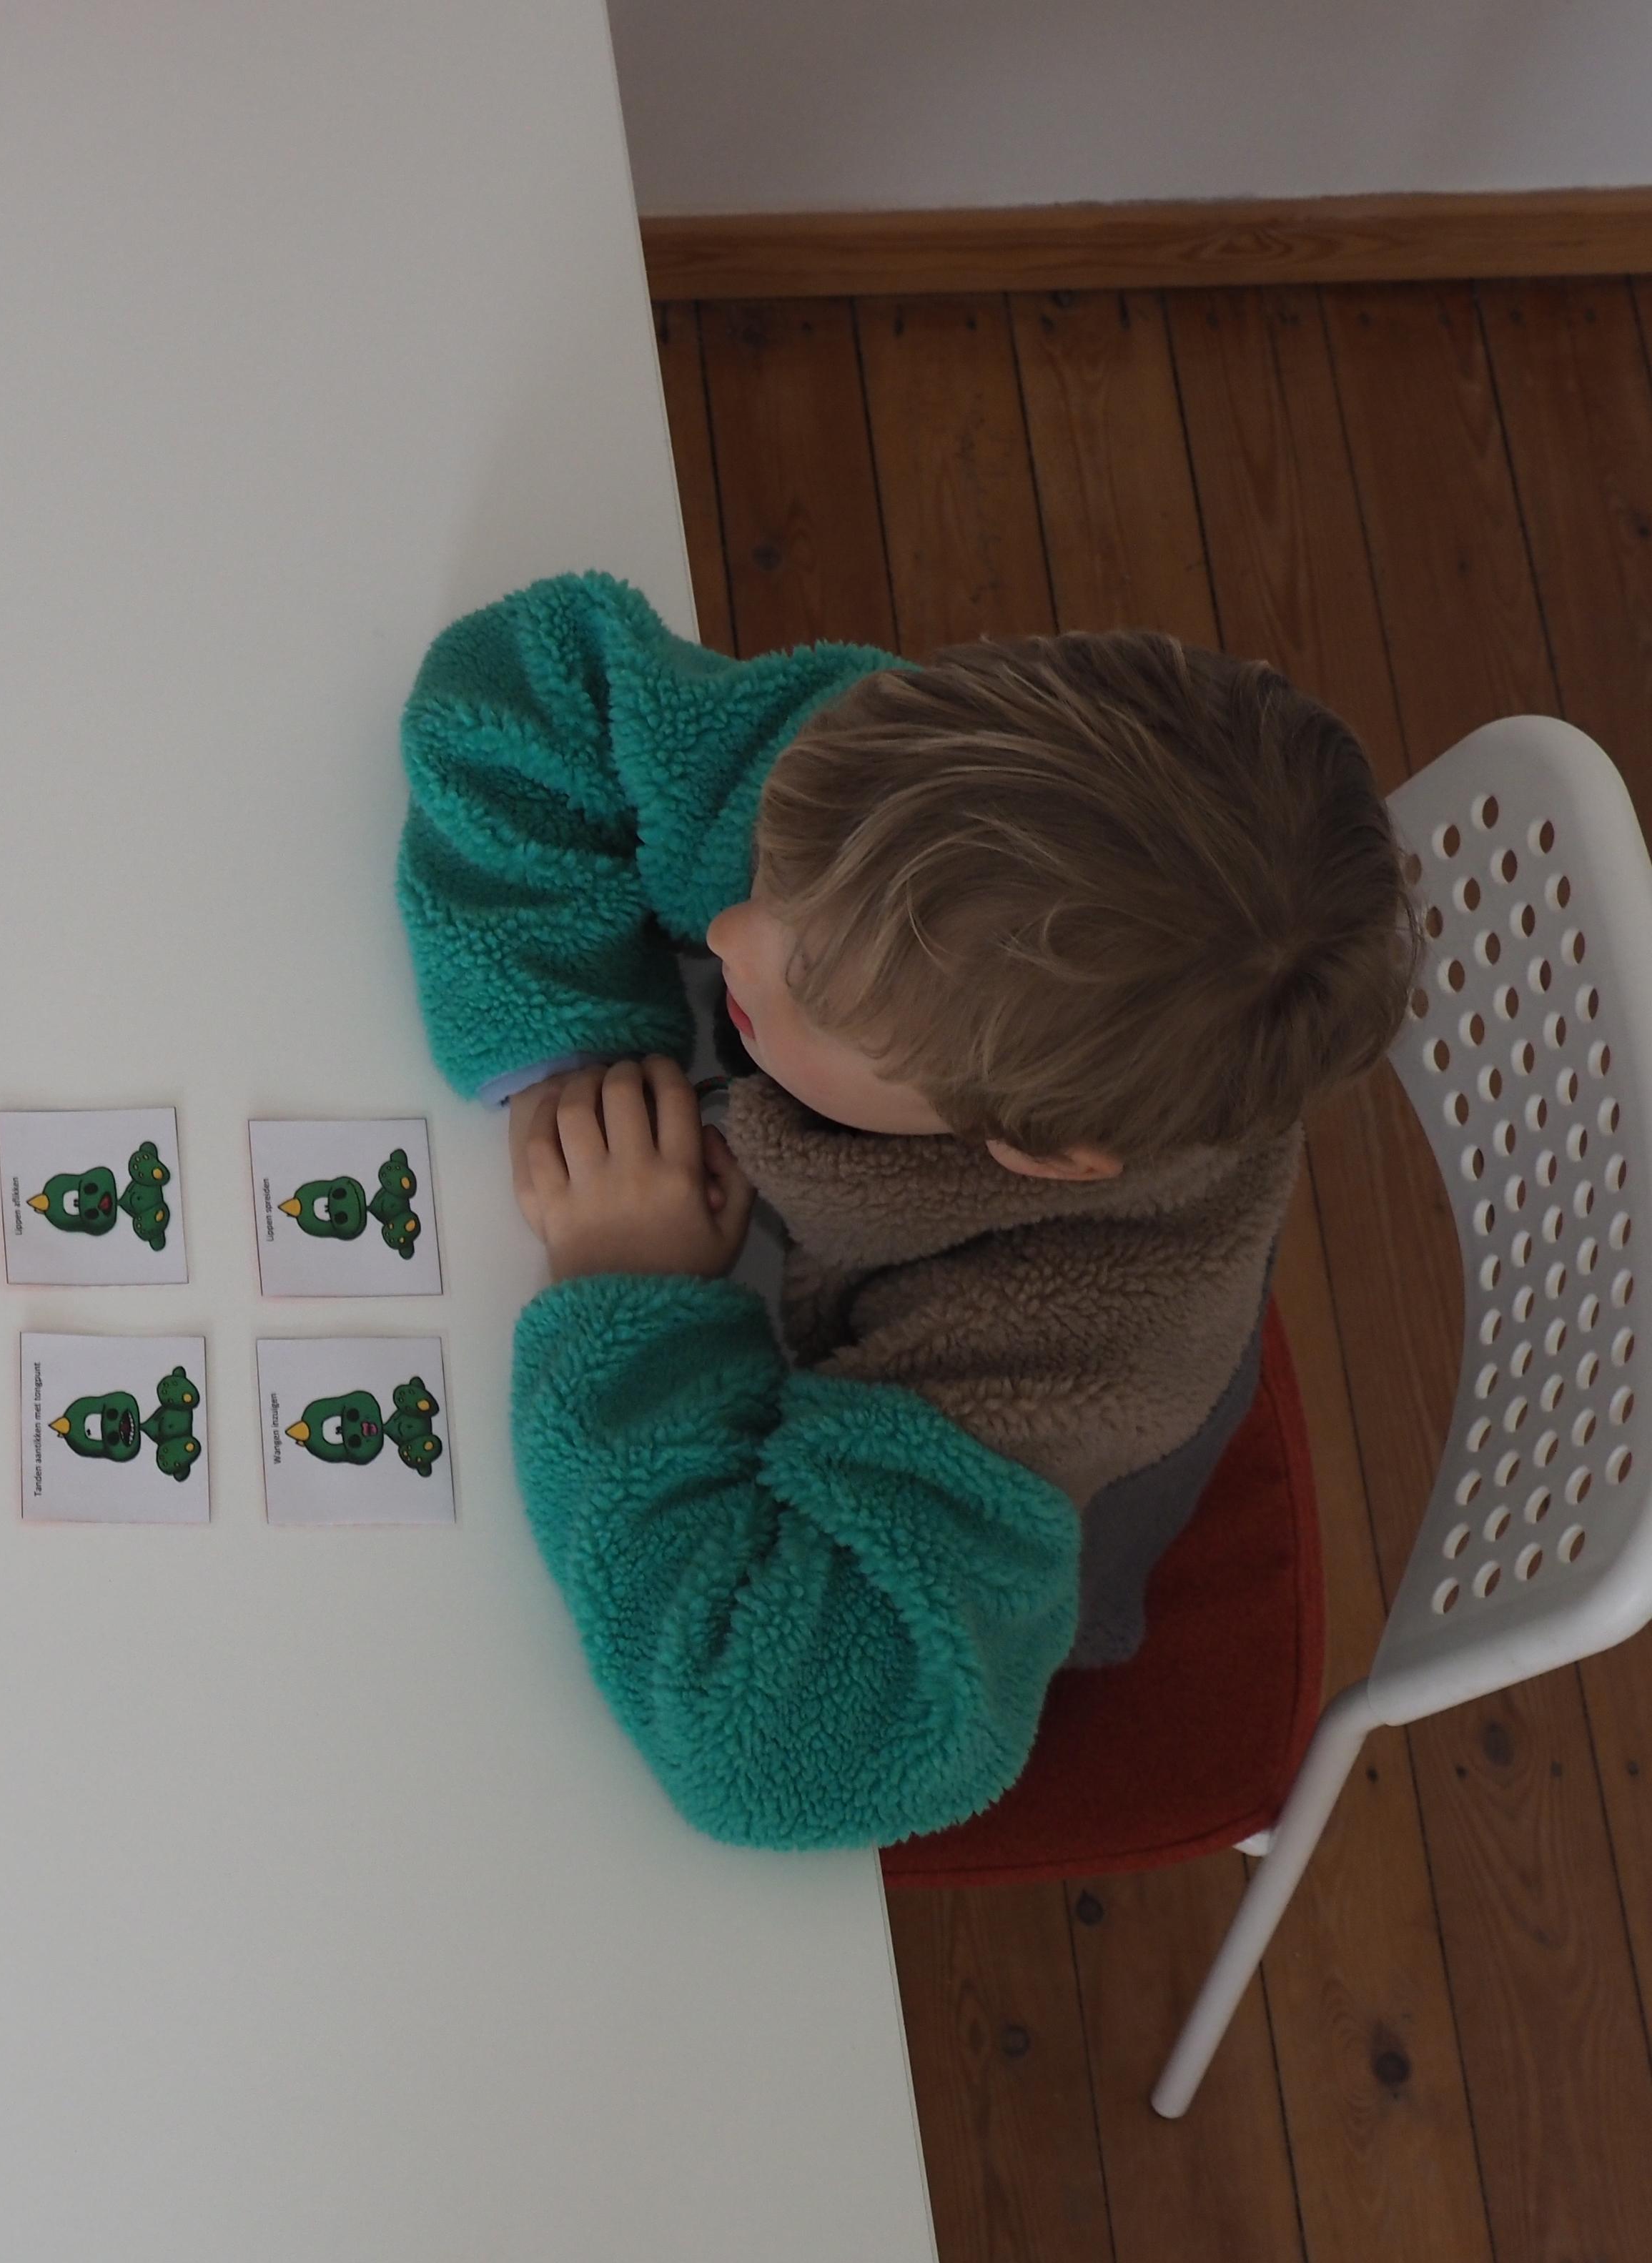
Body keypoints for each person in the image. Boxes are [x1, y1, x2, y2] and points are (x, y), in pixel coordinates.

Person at [396, 570, 1412, 1849]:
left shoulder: (1056, 1358)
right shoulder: (890, 806)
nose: (734, 932)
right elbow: (522, 686)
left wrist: (641, 1295)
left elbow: (777, 1749)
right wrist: (578, 1046)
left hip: (1035, 1536)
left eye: (815, 991)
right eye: (776, 865)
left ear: (1031, 1151)